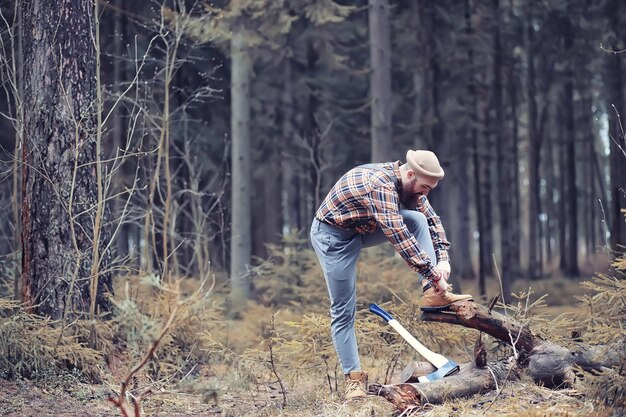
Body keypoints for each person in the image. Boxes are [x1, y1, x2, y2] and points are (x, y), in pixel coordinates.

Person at [309, 150, 473, 400]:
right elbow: (398, 235)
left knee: (417, 218)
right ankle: (353, 380)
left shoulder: (412, 186)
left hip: (364, 226)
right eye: (424, 188)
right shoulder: (380, 185)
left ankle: (432, 294)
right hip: (333, 237)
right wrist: (432, 272)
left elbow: (431, 220)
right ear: (410, 174)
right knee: (343, 309)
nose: (425, 193)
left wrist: (443, 260)